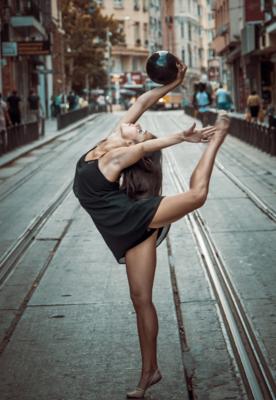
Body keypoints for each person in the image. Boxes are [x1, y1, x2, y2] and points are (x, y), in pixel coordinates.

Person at [73, 58, 230, 399]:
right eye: (138, 127)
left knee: (197, 196)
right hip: (123, 229)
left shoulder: (116, 157)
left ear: (129, 146)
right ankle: (151, 372)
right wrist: (174, 84)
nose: (135, 125)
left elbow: (144, 147)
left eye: (136, 129)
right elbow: (143, 102)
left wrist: (183, 138)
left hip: (135, 217)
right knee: (141, 299)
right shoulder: (112, 139)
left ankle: (216, 140)